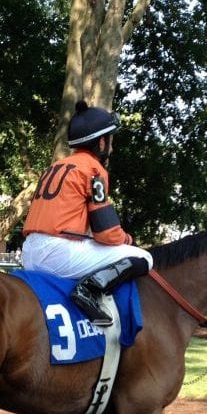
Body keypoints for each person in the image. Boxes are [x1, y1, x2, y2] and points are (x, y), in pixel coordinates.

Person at [21, 99, 152, 327]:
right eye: (110, 141)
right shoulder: (93, 168)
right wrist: (128, 240)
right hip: (58, 252)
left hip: (29, 251)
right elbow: (107, 233)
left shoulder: (56, 166)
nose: (112, 148)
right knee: (143, 257)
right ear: (101, 142)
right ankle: (88, 290)